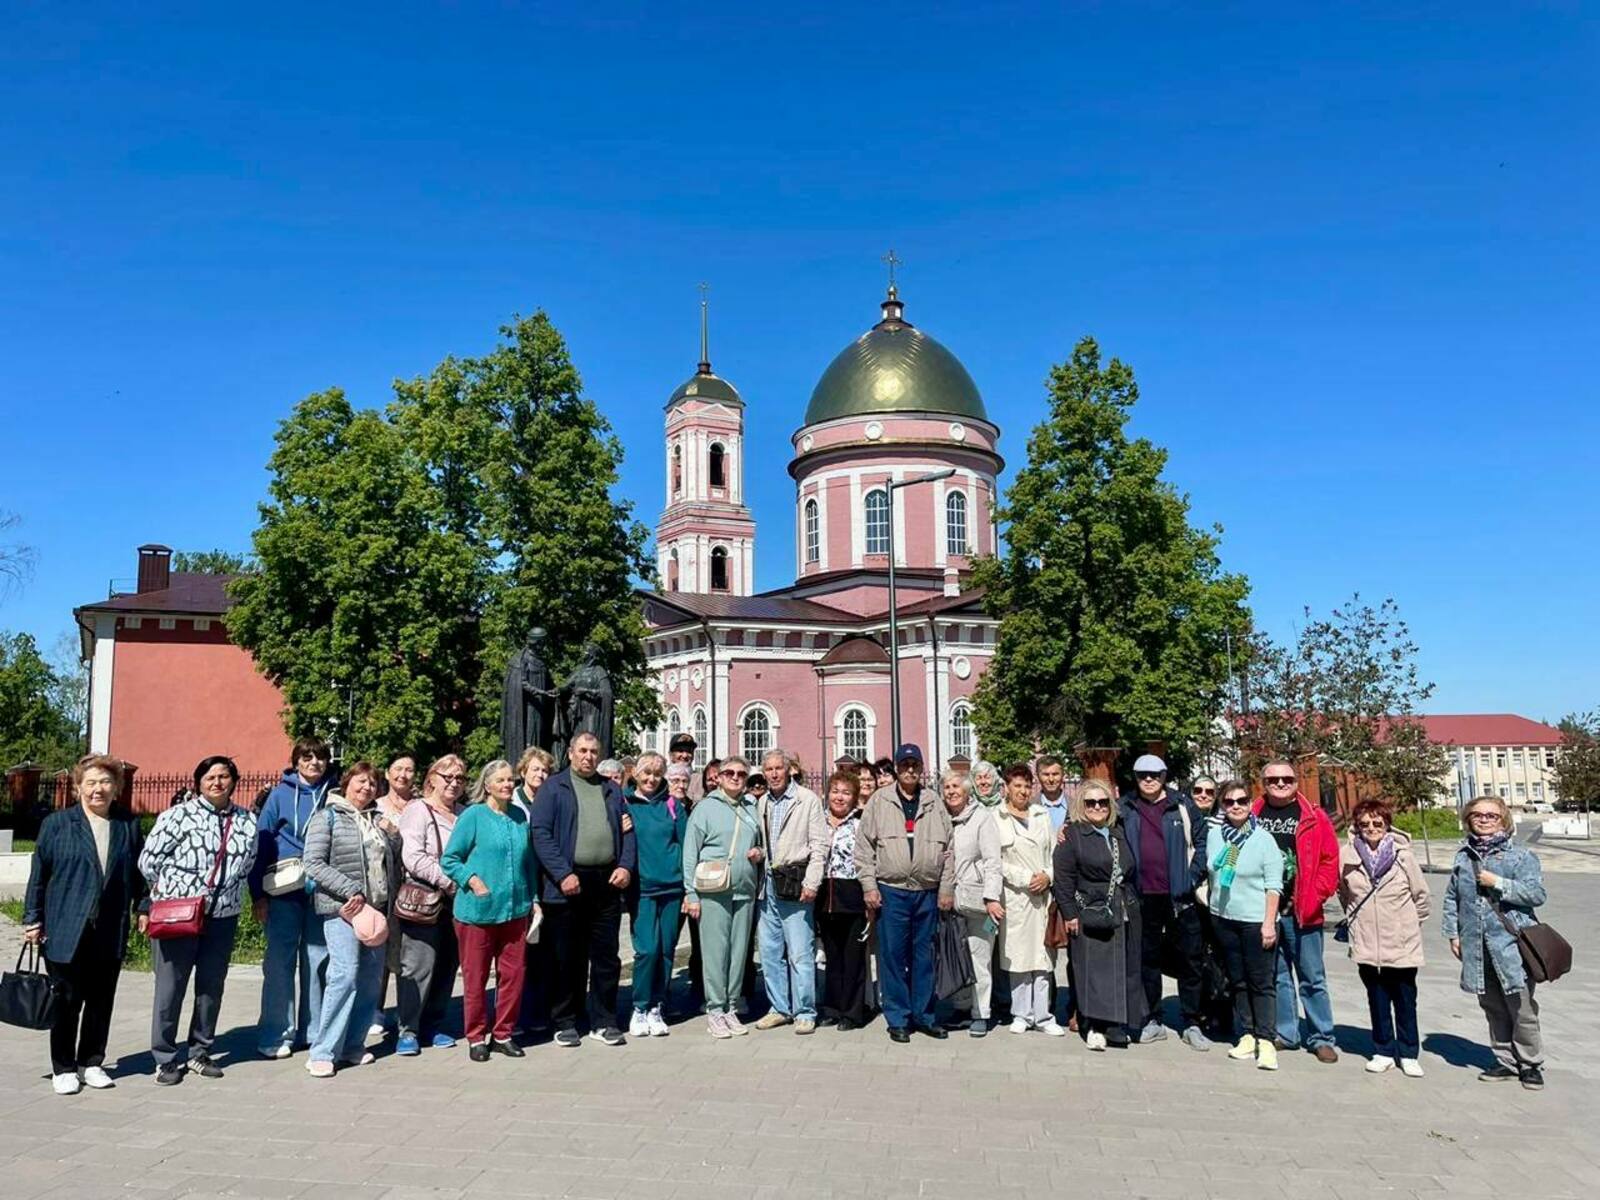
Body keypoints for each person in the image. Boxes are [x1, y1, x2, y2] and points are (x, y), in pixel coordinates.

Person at [22, 754, 148, 1094]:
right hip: (65, 926)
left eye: (106, 782)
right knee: (66, 1000)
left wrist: (144, 907)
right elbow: (39, 876)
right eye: (91, 783)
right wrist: (33, 918)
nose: (98, 789)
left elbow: (140, 875)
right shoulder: (57, 825)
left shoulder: (127, 825)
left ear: (117, 788)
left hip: (109, 928)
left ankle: (91, 1062)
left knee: (101, 1000)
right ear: (78, 788)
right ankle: (63, 1067)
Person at [139, 756, 259, 1084]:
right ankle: (165, 1057)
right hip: (179, 914)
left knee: (211, 986)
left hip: (223, 915)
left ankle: (200, 1050)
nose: (217, 782)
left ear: (234, 781)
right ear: (199, 781)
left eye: (224, 776)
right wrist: (174, 891)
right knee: (170, 987)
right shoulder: (177, 816)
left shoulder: (247, 820)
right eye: (210, 777)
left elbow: (248, 863)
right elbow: (148, 861)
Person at [529, 731, 637, 1047]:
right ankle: (565, 1020)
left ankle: (604, 1020)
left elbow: (628, 832)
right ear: (571, 753)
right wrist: (562, 873)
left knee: (606, 956)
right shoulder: (553, 788)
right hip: (568, 884)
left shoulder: (611, 790)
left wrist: (624, 867)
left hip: (606, 882)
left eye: (593, 751)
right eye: (583, 750)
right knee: (567, 957)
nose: (588, 756)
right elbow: (541, 834)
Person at [1443, 795, 1548, 1090]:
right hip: (1476, 946)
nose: (1484, 819)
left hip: (1512, 945)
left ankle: (1530, 1063)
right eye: (1477, 815)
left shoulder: (1520, 856)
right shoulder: (1463, 857)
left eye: (1491, 815)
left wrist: (1499, 883)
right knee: (1492, 1006)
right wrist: (1453, 934)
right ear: (1468, 819)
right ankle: (1505, 1060)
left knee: (1521, 1007)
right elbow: (1453, 898)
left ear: (1503, 819)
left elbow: (1536, 894)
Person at [302, 762, 401, 1077]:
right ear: (346, 783)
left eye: (372, 783)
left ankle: (352, 1046)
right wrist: (349, 890)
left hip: (376, 909)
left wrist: (394, 836)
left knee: (370, 980)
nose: (367, 788)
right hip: (342, 909)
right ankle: (322, 1050)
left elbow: (391, 860)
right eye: (361, 781)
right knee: (343, 976)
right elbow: (313, 863)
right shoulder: (327, 816)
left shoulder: (376, 820)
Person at [857, 743, 955, 1043]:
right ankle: (898, 1018)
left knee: (924, 956)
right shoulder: (880, 801)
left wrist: (946, 889)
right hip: (892, 891)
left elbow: (949, 850)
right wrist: (869, 886)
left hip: (927, 891)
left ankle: (924, 1015)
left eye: (914, 765)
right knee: (893, 956)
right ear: (897, 768)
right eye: (904, 765)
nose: (909, 770)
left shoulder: (933, 802)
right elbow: (864, 848)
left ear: (921, 768)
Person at [441, 760, 536, 1061]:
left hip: (515, 911)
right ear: (488, 785)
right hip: (478, 912)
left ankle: (503, 1033)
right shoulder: (473, 816)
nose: (508, 785)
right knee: (476, 976)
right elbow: (450, 859)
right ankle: (475, 1036)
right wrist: (472, 879)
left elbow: (528, 862)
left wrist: (532, 898)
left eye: (511, 780)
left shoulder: (520, 816)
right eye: (502, 780)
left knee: (513, 975)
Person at [1118, 753, 1210, 1050]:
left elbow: (1202, 843)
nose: (1148, 779)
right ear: (1135, 777)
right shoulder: (1125, 807)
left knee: (1190, 960)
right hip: (1142, 896)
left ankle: (1192, 1021)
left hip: (1179, 897)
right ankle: (1152, 1019)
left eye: (1154, 774)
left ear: (1164, 776)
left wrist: (1190, 879)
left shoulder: (1182, 805)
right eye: (1142, 774)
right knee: (1148, 960)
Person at [250, 736, 333, 1059]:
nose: (314, 763)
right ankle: (275, 1033)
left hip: (321, 888)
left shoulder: (335, 793)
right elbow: (262, 841)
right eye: (307, 757)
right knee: (279, 963)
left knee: (318, 961)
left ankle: (312, 1032)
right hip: (283, 889)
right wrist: (257, 893)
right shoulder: (279, 795)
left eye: (320, 758)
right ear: (296, 761)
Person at [1253, 758, 1340, 1062]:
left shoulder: (1313, 816)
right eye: (1273, 780)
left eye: (1286, 779)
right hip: (1265, 912)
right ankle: (1287, 1033)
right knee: (1278, 975)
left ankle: (1321, 1036)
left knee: (1312, 977)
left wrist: (1316, 895)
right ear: (1263, 783)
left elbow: (1330, 860)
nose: (1280, 784)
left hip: (1303, 910)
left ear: (1295, 782)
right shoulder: (1253, 814)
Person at [1339, 799, 1431, 1078]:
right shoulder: (1348, 857)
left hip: (1401, 939)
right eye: (1364, 823)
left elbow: (1422, 897)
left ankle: (1409, 1052)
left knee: (1404, 998)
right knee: (1376, 997)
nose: (1371, 828)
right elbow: (1344, 894)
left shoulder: (1404, 857)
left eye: (1377, 823)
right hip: (1367, 940)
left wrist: (1409, 924)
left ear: (1387, 824)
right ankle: (1382, 1050)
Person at [1053, 780, 1144, 1050]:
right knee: (1091, 970)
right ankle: (1092, 1024)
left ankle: (1117, 1025)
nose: (1097, 807)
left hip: (1123, 910)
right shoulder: (1073, 835)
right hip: (1090, 911)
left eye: (1103, 802)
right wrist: (1069, 913)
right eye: (1090, 802)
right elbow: (1063, 879)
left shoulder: (1119, 831)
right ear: (1081, 805)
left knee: (1122, 968)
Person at [682, 756, 766, 1038]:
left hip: (744, 888)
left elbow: (761, 844)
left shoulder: (751, 807)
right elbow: (690, 852)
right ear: (718, 777)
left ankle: (731, 1005)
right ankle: (715, 1008)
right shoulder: (706, 808)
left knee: (739, 951)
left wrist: (760, 853)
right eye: (729, 772)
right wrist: (690, 893)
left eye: (742, 774)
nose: (736, 777)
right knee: (715, 951)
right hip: (714, 888)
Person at [1204, 780, 1285, 1070]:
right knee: (1237, 980)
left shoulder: (1263, 839)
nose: (1235, 806)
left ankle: (1266, 1039)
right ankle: (1248, 1033)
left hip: (1255, 921)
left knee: (1261, 982)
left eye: (1241, 801)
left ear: (1250, 804)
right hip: (1224, 918)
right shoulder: (1215, 835)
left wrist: (1268, 924)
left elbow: (1274, 885)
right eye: (1229, 802)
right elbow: (1210, 870)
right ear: (1222, 806)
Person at [394, 755, 466, 1056]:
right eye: (447, 776)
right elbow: (413, 857)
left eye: (460, 778)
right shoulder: (418, 810)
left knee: (448, 964)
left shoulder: (464, 814)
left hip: (458, 900)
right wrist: (449, 881)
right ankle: (407, 1029)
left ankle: (433, 1024)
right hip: (426, 897)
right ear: (431, 778)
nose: (453, 783)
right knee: (418, 965)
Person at [754, 748, 828, 1035]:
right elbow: (767, 843)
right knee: (771, 951)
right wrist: (758, 853)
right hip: (768, 884)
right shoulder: (762, 803)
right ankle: (779, 1007)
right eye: (768, 769)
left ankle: (805, 1010)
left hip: (796, 883)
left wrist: (812, 882)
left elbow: (820, 845)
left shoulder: (806, 800)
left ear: (789, 771)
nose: (773, 774)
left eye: (778, 769)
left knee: (799, 951)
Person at [994, 764, 1062, 1035]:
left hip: (1042, 895)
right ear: (1007, 788)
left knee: (1044, 958)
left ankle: (1044, 1016)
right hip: (1016, 896)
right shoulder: (995, 817)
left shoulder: (1041, 814)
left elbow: (1054, 854)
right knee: (1019, 958)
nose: (1022, 791)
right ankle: (1021, 1014)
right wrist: (1025, 878)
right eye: (1017, 785)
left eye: (1026, 786)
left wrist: (1047, 876)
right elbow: (995, 860)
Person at [626, 752, 687, 1037]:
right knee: (646, 950)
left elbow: (685, 845)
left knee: (665, 951)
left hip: (672, 887)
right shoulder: (624, 804)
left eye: (656, 774)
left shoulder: (673, 805)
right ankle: (639, 1006)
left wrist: (689, 888)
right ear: (635, 774)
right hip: (642, 889)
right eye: (646, 773)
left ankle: (657, 1005)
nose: (651, 779)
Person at [945, 770, 1003, 1036]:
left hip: (977, 899)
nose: (951, 791)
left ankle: (981, 1012)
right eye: (946, 787)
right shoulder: (943, 818)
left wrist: (992, 897)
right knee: (956, 955)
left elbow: (993, 861)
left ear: (967, 791)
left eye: (956, 786)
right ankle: (961, 1007)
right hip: (949, 899)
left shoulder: (982, 818)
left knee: (979, 957)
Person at [816, 772, 870, 1029]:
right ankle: (832, 1008)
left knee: (853, 958)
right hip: (825, 896)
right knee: (832, 957)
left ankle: (852, 1012)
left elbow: (869, 859)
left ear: (854, 797)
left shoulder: (860, 823)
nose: (840, 797)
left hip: (852, 896)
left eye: (846, 792)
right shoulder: (818, 821)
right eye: (836, 791)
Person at [372, 753, 416, 1037]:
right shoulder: (375, 806)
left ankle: (406, 1010)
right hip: (382, 886)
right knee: (378, 949)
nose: (403, 774)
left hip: (414, 889)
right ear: (387, 774)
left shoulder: (421, 806)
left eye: (409, 769)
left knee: (405, 953)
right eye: (397, 769)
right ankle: (374, 1008)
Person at [665, 762, 705, 1010]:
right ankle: (662, 993)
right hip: (672, 886)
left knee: (699, 942)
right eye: (675, 780)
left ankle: (700, 991)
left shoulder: (691, 808)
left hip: (694, 885)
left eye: (684, 781)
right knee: (667, 941)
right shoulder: (662, 807)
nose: (680, 785)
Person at [512, 747, 555, 818]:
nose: (540, 775)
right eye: (535, 769)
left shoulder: (552, 800)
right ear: (523, 772)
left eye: (544, 771)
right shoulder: (513, 800)